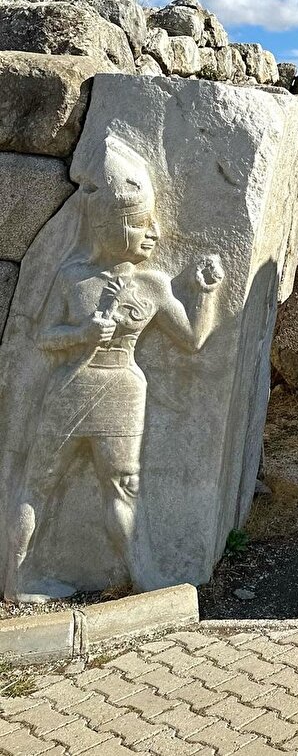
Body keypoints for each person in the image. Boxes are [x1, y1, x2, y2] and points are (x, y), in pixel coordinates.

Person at [4, 136, 224, 602]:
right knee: (39, 484)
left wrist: (202, 293)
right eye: (141, 224)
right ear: (109, 226)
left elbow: (192, 340)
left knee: (124, 487)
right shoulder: (72, 277)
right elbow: (44, 338)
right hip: (71, 386)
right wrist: (83, 332)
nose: (155, 233)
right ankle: (17, 580)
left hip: (123, 390)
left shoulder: (154, 284)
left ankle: (141, 578)